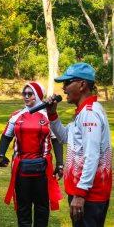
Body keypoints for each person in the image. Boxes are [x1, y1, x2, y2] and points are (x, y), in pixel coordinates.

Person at [45, 62, 112, 227]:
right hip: (84, 192)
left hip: (89, 195)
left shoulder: (89, 114)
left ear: (82, 85)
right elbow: (66, 137)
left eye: (67, 83)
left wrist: (80, 194)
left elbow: (92, 156)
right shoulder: (83, 111)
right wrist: (52, 114)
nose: (64, 88)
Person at [0, 82, 63, 227]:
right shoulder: (16, 115)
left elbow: (56, 140)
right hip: (21, 168)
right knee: (23, 206)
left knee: (41, 205)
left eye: (30, 94)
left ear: (39, 95)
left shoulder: (48, 115)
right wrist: (1, 155)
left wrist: (60, 164)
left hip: (43, 168)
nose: (26, 97)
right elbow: (6, 137)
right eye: (24, 94)